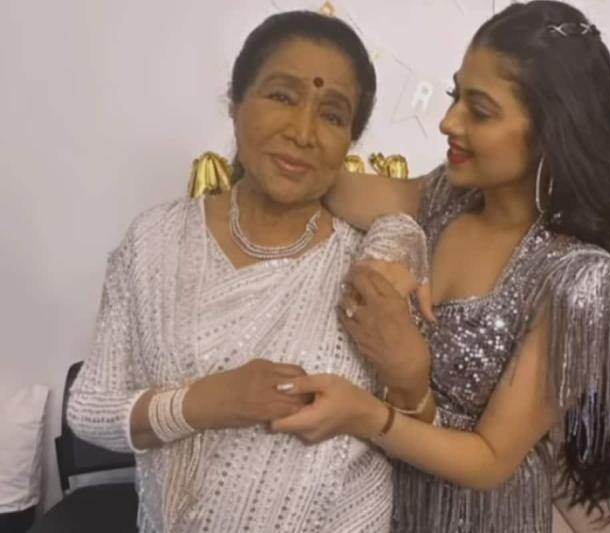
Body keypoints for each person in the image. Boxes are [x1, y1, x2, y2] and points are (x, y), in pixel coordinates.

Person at [271, 2, 610, 531]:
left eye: (479, 111)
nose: (448, 121)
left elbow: (489, 460)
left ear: (551, 130)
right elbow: (330, 185)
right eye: (455, 96)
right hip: (389, 511)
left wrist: (363, 414)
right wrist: (286, 132)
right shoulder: (444, 201)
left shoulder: (582, 280)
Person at [67, 11, 430, 533]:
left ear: (350, 139)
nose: (302, 132)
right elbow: (89, 410)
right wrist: (205, 402)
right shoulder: (153, 242)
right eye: (281, 96)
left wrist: (404, 241)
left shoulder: (375, 266)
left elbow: (419, 436)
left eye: (332, 115)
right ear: (235, 101)